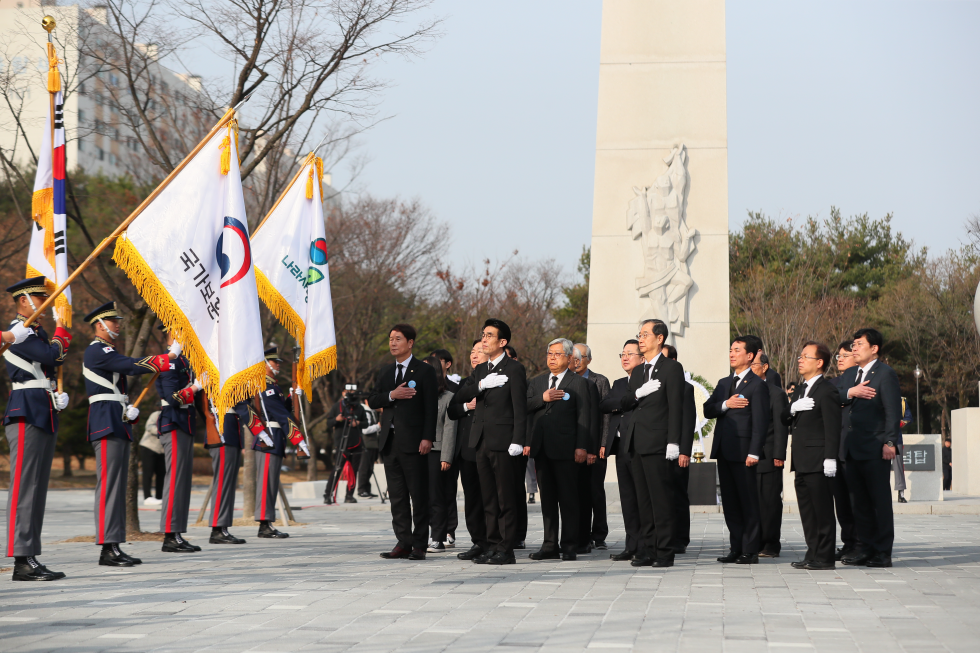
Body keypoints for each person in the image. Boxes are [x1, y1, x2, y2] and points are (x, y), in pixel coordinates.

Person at [82, 301, 175, 565]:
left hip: (116, 418)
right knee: (110, 485)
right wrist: (166, 359)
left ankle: (114, 544)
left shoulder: (106, 350)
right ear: (100, 325)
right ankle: (107, 547)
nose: (118, 325)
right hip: (105, 421)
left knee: (118, 485)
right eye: (113, 321)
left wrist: (126, 406)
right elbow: (131, 365)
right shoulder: (97, 350)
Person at [3, 277, 71, 581]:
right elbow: (52, 355)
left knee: (37, 487)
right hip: (26, 409)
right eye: (38, 298)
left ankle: (29, 555)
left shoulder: (32, 331)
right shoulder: (20, 332)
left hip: (42, 407)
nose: (44, 302)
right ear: (23, 300)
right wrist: (62, 331)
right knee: (24, 485)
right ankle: (21, 558)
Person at [452, 318, 528, 565]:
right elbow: (461, 394)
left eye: (489, 335)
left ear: (502, 342)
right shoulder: (481, 370)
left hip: (504, 442)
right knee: (488, 499)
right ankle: (492, 546)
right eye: (483, 335)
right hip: (480, 441)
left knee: (505, 498)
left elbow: (520, 407)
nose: (483, 339)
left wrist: (518, 439)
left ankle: (506, 549)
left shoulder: (514, 369)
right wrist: (481, 384)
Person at [619, 319, 686, 568]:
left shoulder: (671, 369)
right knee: (643, 501)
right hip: (636, 443)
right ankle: (648, 549)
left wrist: (674, 442)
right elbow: (626, 402)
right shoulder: (638, 371)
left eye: (645, 334)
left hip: (658, 443)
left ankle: (664, 552)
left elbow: (676, 408)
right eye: (640, 334)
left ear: (660, 338)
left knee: (661, 500)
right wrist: (639, 392)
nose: (641, 338)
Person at [369, 324, 438, 560]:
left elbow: (431, 407)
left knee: (418, 495)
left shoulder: (424, 371)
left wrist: (428, 437)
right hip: (390, 442)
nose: (393, 343)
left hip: (415, 442)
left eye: (398, 339)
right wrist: (391, 395)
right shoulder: (386, 372)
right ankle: (403, 542)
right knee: (397, 496)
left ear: (410, 343)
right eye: (390, 339)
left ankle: (419, 544)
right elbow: (372, 398)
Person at [704, 335, 770, 564]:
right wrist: (725, 404)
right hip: (724, 450)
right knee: (730, 503)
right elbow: (707, 409)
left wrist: (754, 452)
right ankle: (736, 547)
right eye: (730, 350)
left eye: (737, 350)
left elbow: (761, 422)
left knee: (748, 502)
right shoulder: (724, 383)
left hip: (744, 453)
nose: (731, 354)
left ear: (750, 356)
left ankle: (750, 551)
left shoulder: (757, 385)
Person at [838, 328, 902, 568]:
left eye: (859, 344)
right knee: (859, 502)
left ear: (874, 348)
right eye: (853, 344)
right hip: (851, 448)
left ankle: (883, 552)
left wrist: (889, 442)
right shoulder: (851, 373)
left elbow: (892, 411)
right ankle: (865, 548)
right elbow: (834, 394)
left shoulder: (885, 374)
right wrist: (850, 392)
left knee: (879, 502)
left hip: (875, 447)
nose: (854, 348)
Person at [526, 338, 591, 560]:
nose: (552, 358)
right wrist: (541, 399)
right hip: (542, 449)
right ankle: (549, 545)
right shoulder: (537, 382)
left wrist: (582, 446)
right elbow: (525, 406)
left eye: (557, 354)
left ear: (569, 357)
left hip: (567, 449)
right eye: (549, 354)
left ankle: (570, 545)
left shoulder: (578, 382)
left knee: (569, 499)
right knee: (548, 499)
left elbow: (585, 416)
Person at [783, 341, 842, 570]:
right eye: (800, 356)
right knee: (807, 512)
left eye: (805, 356)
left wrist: (830, 457)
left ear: (819, 363)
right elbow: (783, 418)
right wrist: (792, 408)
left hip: (819, 461)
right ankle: (812, 553)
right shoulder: (800, 389)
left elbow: (832, 426)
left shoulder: (827, 390)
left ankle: (825, 558)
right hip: (801, 460)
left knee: (823, 511)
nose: (800, 359)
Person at [155, 324, 203, 551]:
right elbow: (173, 398)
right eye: (180, 332)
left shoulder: (184, 362)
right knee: (174, 480)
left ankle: (177, 533)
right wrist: (194, 388)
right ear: (170, 334)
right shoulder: (169, 361)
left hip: (185, 423)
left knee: (182, 482)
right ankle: (169, 535)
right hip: (173, 422)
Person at [254, 346, 309, 538]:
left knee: (271, 482)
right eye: (275, 361)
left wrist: (292, 396)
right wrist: (298, 439)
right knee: (266, 483)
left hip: (275, 438)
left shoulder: (273, 386)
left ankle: (267, 523)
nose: (278, 364)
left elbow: (282, 410)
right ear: (265, 364)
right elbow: (279, 414)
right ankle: (264, 524)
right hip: (268, 438)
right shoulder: (264, 386)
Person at [599, 339, 642, 561]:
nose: (624, 357)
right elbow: (606, 405)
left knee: (642, 498)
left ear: (642, 358)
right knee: (627, 498)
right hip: (621, 448)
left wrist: (623, 402)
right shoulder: (617, 383)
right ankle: (631, 545)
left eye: (630, 354)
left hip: (640, 446)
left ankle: (646, 545)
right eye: (622, 354)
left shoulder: (647, 381)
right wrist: (627, 402)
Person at [448, 340, 489, 560]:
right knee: (472, 499)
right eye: (472, 351)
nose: (474, 355)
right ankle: (478, 542)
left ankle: (495, 541)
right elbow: (452, 410)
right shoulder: (464, 383)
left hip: (490, 448)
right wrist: (467, 406)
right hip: (467, 450)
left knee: (490, 498)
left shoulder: (497, 380)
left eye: (479, 351)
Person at [572, 342, 610, 551]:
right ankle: (580, 533)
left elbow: (605, 416)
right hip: (574, 446)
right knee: (577, 492)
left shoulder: (599, 381)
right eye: (573, 357)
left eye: (580, 357)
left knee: (595, 490)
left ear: (589, 360)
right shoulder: (566, 380)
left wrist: (602, 444)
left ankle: (599, 534)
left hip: (595, 445)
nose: (576, 362)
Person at [750, 352, 789, 558]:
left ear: (764, 367)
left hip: (768, 456)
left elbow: (781, 427)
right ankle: (753, 540)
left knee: (769, 501)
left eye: (753, 364)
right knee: (751, 501)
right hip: (747, 456)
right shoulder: (743, 391)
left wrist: (779, 454)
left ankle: (771, 543)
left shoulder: (776, 393)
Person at [661, 343, 696, 555]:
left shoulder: (685, 387)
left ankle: (680, 538)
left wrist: (684, 450)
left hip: (677, 452)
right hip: (658, 448)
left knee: (678, 495)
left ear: (674, 362)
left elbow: (687, 421)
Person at [209, 397, 258, 544]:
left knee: (228, 484)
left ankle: (222, 527)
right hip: (222, 431)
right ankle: (217, 529)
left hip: (231, 431)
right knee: (223, 483)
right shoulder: (218, 377)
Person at [424, 354, 459, 553]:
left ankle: (437, 537)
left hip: (437, 452)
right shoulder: (414, 395)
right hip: (417, 452)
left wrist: (446, 456)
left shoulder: (448, 397)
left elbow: (449, 429)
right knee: (423, 497)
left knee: (436, 496)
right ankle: (423, 534)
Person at [829, 341, 859, 561]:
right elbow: (829, 398)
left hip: (856, 450)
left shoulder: (866, 378)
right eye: (838, 356)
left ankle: (861, 543)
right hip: (836, 449)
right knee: (841, 501)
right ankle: (848, 543)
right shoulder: (833, 383)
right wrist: (849, 393)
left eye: (845, 355)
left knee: (856, 500)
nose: (839, 359)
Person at [326, 389, 365, 504]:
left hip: (356, 443)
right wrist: (336, 420)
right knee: (337, 469)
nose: (350, 395)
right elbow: (328, 423)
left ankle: (349, 495)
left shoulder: (359, 408)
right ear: (343, 393)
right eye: (348, 392)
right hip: (341, 443)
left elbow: (366, 423)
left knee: (354, 470)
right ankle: (328, 494)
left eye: (352, 392)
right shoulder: (336, 407)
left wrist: (358, 423)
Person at [139, 410, 165, 506]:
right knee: (148, 473)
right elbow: (149, 427)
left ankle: (159, 497)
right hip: (149, 446)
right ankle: (147, 497)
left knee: (161, 474)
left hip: (162, 449)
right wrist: (163, 432)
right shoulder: (156, 414)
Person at [357, 399, 380, 498]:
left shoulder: (372, 411)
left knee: (370, 468)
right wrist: (378, 426)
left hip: (373, 444)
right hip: (367, 444)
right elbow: (365, 430)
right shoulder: (365, 411)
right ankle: (361, 489)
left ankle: (367, 489)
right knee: (365, 467)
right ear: (366, 401)